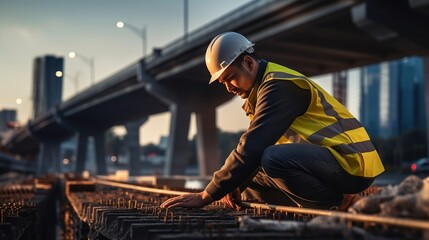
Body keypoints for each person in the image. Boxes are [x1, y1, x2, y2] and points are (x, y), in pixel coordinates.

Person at [161, 32, 384, 210]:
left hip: (351, 163)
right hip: (326, 162)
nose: (228, 87)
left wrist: (206, 194)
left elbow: (253, 145)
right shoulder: (257, 95)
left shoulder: (279, 86)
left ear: (248, 63)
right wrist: (232, 184)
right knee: (245, 186)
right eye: (223, 83)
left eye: (230, 78)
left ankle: (338, 204)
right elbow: (251, 154)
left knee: (272, 159)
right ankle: (311, 204)